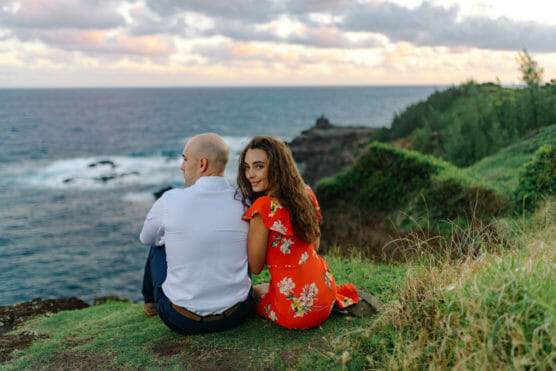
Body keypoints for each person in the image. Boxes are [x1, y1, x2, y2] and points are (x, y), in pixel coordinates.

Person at [237, 136, 359, 329]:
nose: (250, 174)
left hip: (296, 313)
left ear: (277, 167)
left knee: (251, 294)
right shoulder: (306, 194)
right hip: (325, 295)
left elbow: (256, 267)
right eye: (246, 167)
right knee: (267, 288)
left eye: (259, 166)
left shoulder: (263, 209)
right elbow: (315, 246)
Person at [139, 133, 253, 335]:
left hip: (182, 320)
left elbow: (145, 238)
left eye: (184, 159)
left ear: (202, 164)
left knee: (158, 244)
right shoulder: (244, 201)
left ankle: (150, 304)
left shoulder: (170, 199)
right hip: (237, 314)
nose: (182, 166)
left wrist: (171, 237)